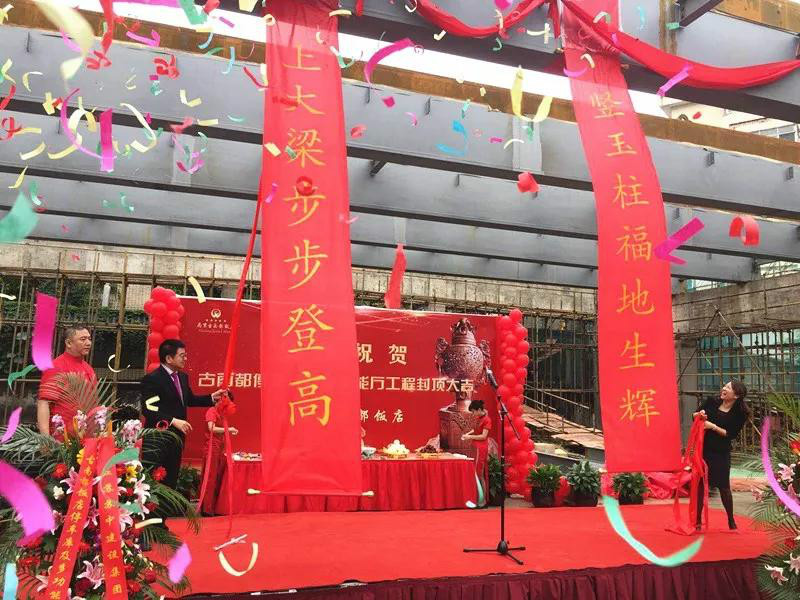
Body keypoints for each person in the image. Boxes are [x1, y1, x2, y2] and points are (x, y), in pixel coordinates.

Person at [140, 339, 226, 491]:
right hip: (157, 439)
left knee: (171, 481)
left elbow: (189, 400)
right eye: (182, 355)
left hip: (177, 438)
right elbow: (149, 410)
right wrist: (173, 420)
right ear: (169, 358)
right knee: (153, 483)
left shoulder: (182, 377)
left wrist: (212, 398)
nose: (185, 358)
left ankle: (167, 507)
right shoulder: (153, 379)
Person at [693, 379, 749, 530]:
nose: (724, 389)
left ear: (736, 395)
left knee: (723, 486)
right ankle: (697, 521)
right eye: (724, 386)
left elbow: (730, 434)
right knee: (700, 485)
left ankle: (731, 520)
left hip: (721, 452)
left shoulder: (740, 413)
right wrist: (699, 414)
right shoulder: (712, 401)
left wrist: (712, 426)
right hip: (704, 449)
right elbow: (694, 415)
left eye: (728, 388)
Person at [37, 325, 97, 436]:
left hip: (87, 436)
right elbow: (44, 403)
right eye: (83, 339)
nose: (88, 343)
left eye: (89, 339)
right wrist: (46, 439)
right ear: (68, 343)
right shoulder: (56, 366)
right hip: (62, 437)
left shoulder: (89, 368)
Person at [200, 403, 238, 515]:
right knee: (210, 478)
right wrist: (228, 429)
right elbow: (211, 428)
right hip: (212, 448)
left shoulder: (221, 414)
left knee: (217, 477)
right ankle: (207, 509)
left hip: (219, 448)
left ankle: (213, 507)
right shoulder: (212, 411)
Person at [461, 399, 492, 508]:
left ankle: (483, 500)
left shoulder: (487, 420)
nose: (473, 414)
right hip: (475, 447)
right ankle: (477, 498)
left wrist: (469, 437)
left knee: (479, 474)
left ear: (479, 409)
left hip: (481, 448)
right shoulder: (479, 418)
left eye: (474, 411)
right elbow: (476, 430)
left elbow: (483, 436)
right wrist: (468, 434)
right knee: (475, 473)